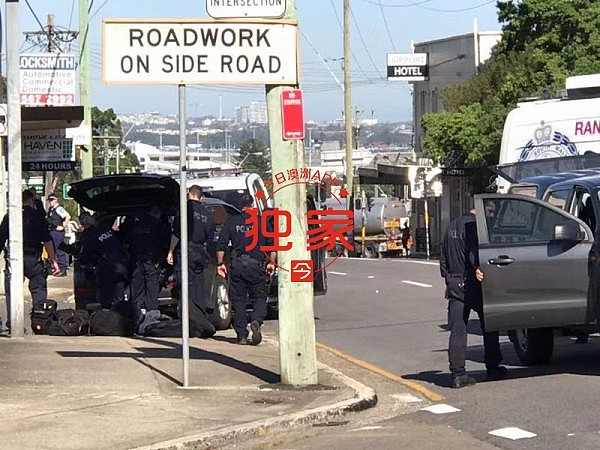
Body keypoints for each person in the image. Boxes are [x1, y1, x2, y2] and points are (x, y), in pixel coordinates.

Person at [439, 204, 506, 388]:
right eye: (491, 214)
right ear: (483, 212)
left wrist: (449, 277)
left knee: (458, 329)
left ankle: (458, 374)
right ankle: (493, 367)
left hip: (454, 282)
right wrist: (478, 267)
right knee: (490, 325)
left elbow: (443, 258)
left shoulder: (452, 225)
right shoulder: (474, 226)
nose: (492, 218)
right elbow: (473, 253)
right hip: (473, 283)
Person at [216, 194, 276, 345]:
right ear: (253, 206)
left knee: (239, 301)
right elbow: (272, 245)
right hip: (257, 266)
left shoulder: (232, 221)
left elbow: (221, 245)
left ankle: (242, 335)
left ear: (240, 206)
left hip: (238, 267)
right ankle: (256, 320)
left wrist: (220, 263)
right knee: (259, 297)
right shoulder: (262, 222)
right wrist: (271, 263)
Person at [0, 190, 60, 323]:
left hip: (14, 259)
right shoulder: (37, 217)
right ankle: (39, 320)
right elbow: (47, 240)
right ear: (31, 200)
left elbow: (0, 240)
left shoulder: (9, 217)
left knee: (12, 290)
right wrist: (53, 260)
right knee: (38, 288)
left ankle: (13, 322)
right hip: (34, 258)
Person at [167, 185, 215, 311]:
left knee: (185, 285)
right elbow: (211, 238)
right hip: (200, 252)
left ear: (189, 194)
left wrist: (170, 251)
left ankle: (187, 315)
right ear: (201, 197)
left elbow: (177, 232)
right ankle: (199, 314)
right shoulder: (207, 213)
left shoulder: (184, 209)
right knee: (199, 286)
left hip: (186, 251)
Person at [75, 212, 128, 309]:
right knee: (118, 297)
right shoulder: (106, 229)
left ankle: (110, 317)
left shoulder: (90, 234)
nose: (84, 221)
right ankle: (120, 315)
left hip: (108, 269)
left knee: (107, 298)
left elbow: (85, 254)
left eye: (84, 219)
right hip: (120, 266)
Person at [125, 205, 171, 313]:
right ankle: (152, 314)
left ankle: (137, 314)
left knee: (137, 290)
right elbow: (165, 244)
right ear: (158, 214)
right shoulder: (159, 226)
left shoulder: (135, 225)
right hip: (151, 261)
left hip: (136, 261)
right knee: (152, 290)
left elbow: (127, 242)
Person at [46, 193, 71, 276]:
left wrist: (63, 225)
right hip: (51, 231)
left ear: (56, 200)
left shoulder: (59, 209)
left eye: (52, 200)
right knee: (51, 251)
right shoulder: (51, 209)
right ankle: (53, 268)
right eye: (49, 200)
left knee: (59, 250)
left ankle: (62, 269)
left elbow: (68, 216)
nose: (50, 202)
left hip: (57, 232)